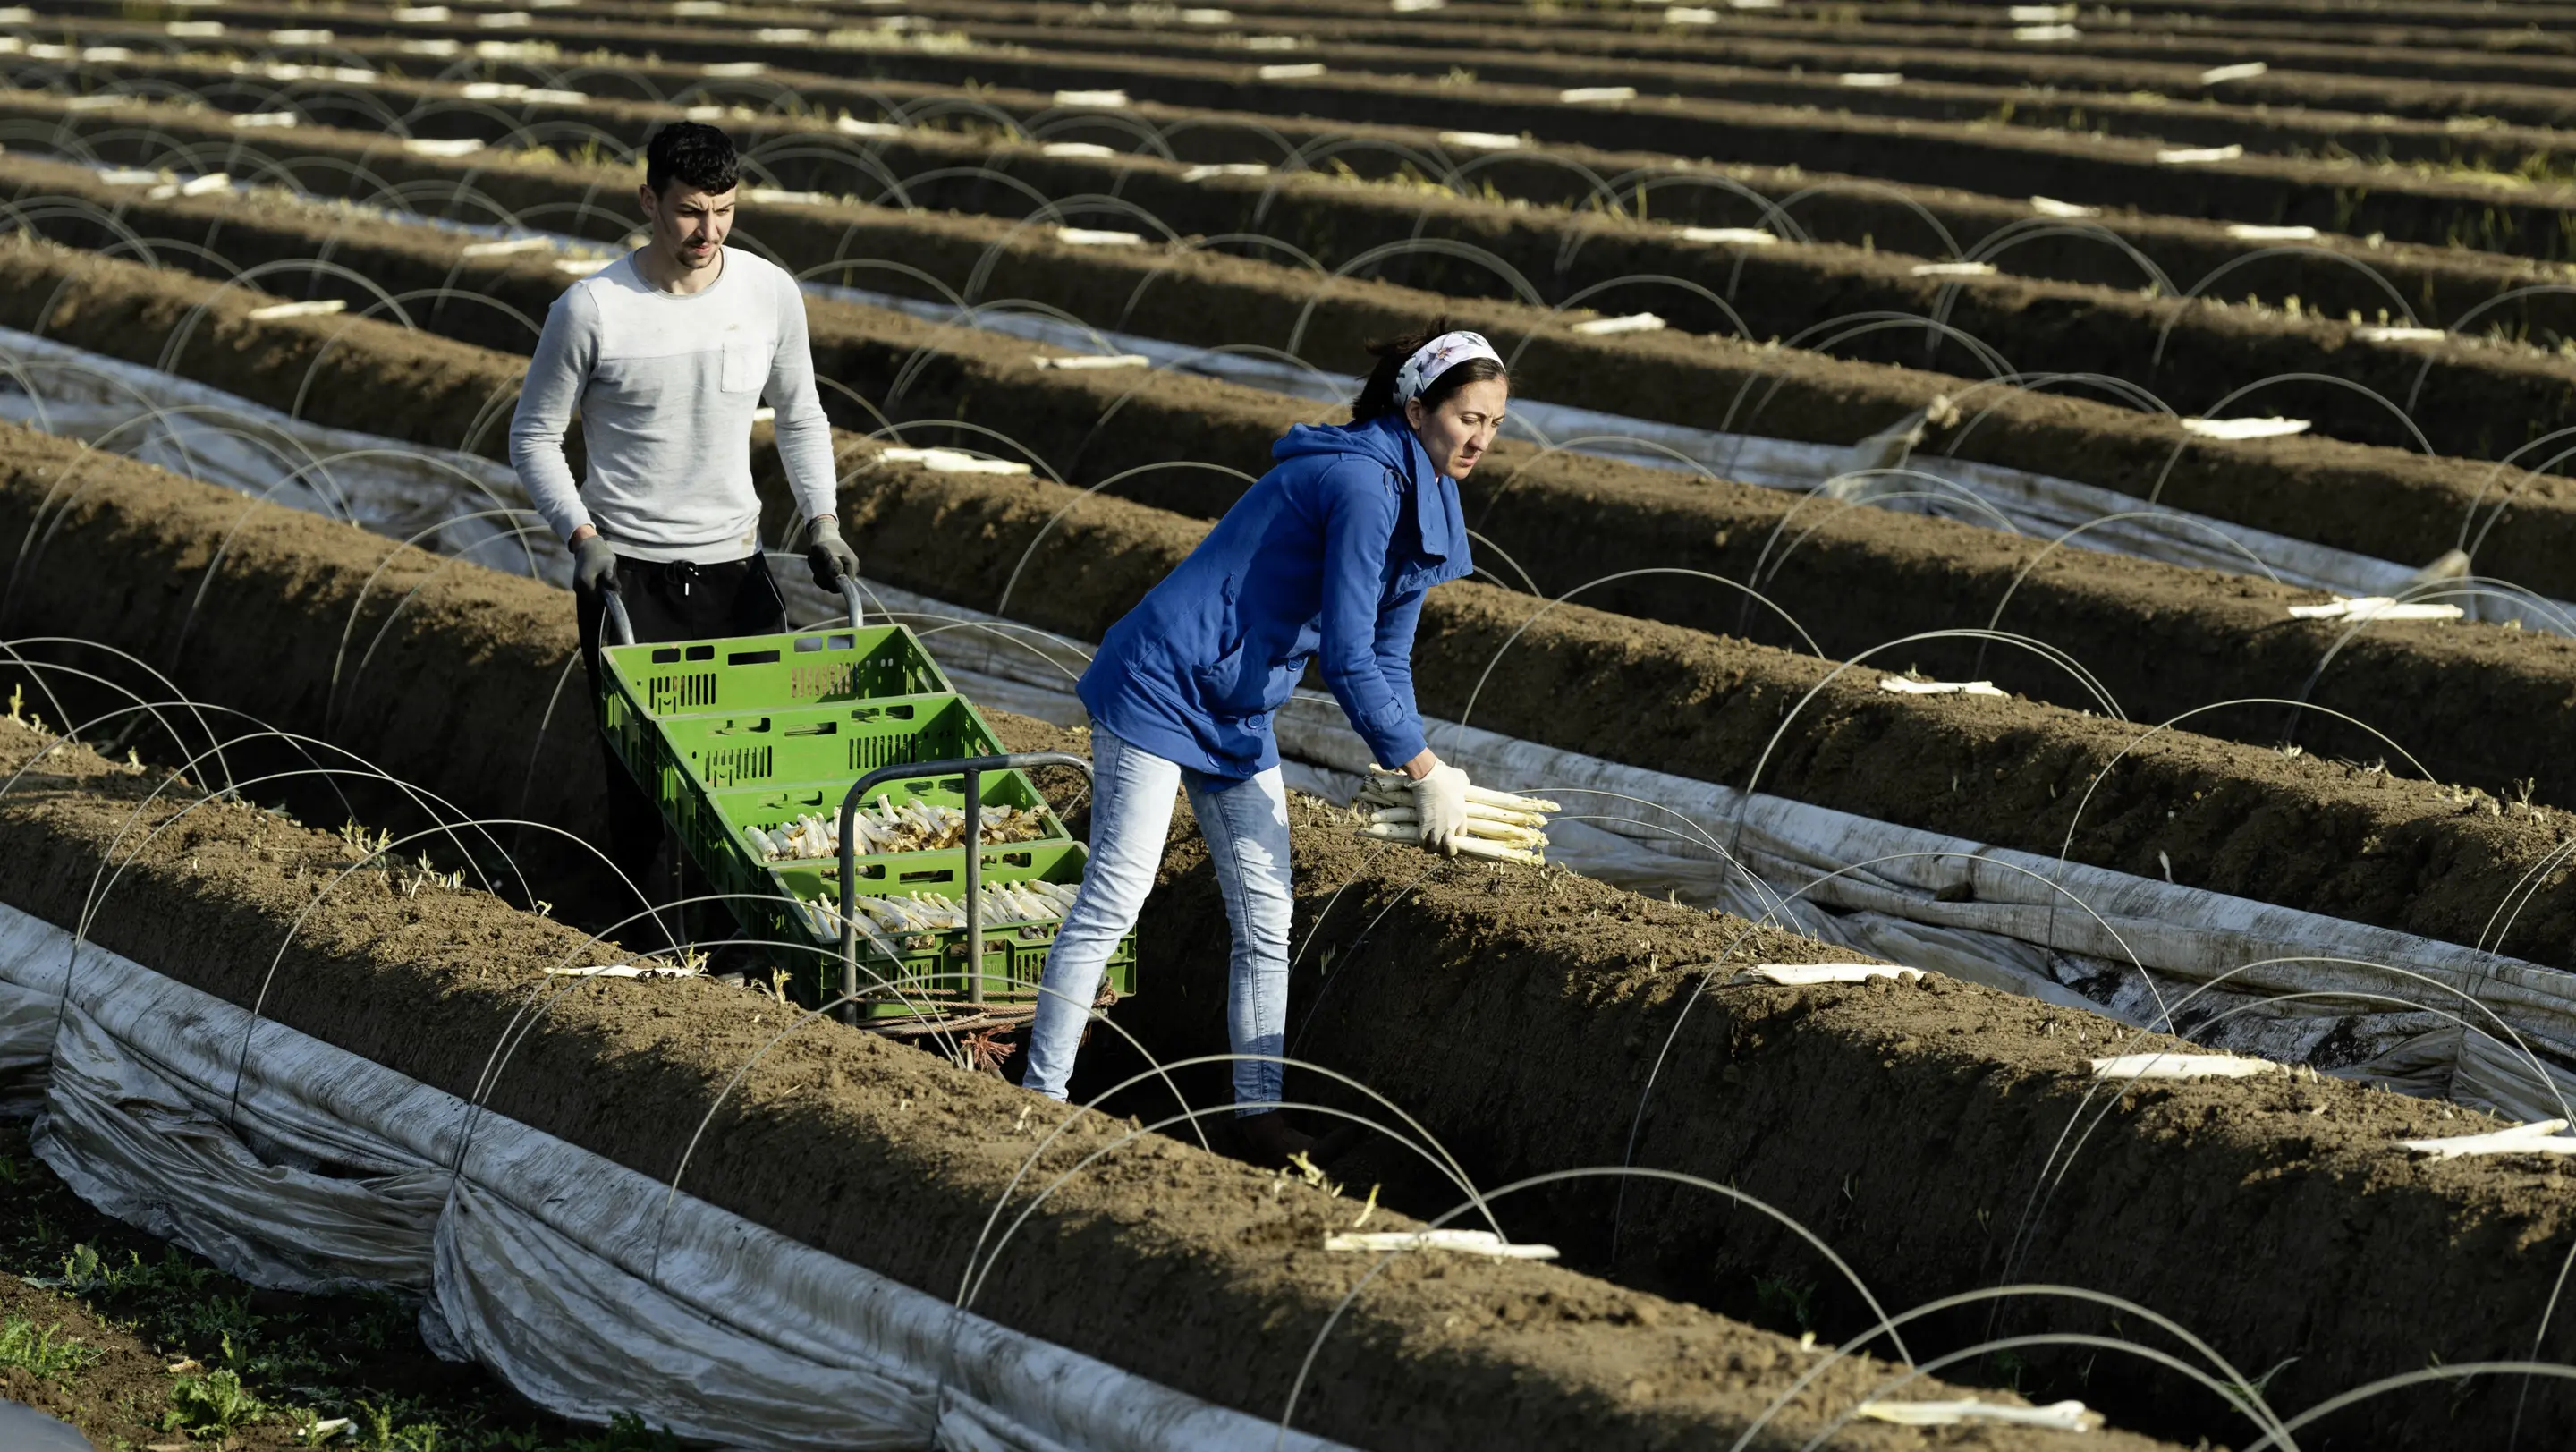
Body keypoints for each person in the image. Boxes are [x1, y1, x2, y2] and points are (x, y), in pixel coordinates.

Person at [1020, 325, 1509, 1165]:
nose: (1480, 438)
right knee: (1119, 890)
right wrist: (1426, 768)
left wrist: (1410, 760)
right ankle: (1039, 1098)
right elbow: (1348, 657)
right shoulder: (1361, 480)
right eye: (1468, 417)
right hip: (1164, 679)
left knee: (1267, 912)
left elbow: (1388, 655)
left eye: (1495, 424)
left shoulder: (1431, 490)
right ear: (1418, 407)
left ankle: (1258, 1113)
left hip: (1237, 705)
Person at [508, 121, 860, 898]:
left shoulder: (769, 292)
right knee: (642, 781)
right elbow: (533, 436)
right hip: (628, 579)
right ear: (650, 201)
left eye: (725, 211)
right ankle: (648, 946)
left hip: (737, 565)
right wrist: (581, 535)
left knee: (753, 768)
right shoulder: (593, 309)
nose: (710, 232)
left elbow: (801, 415)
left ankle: (738, 950)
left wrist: (823, 520)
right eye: (692, 211)